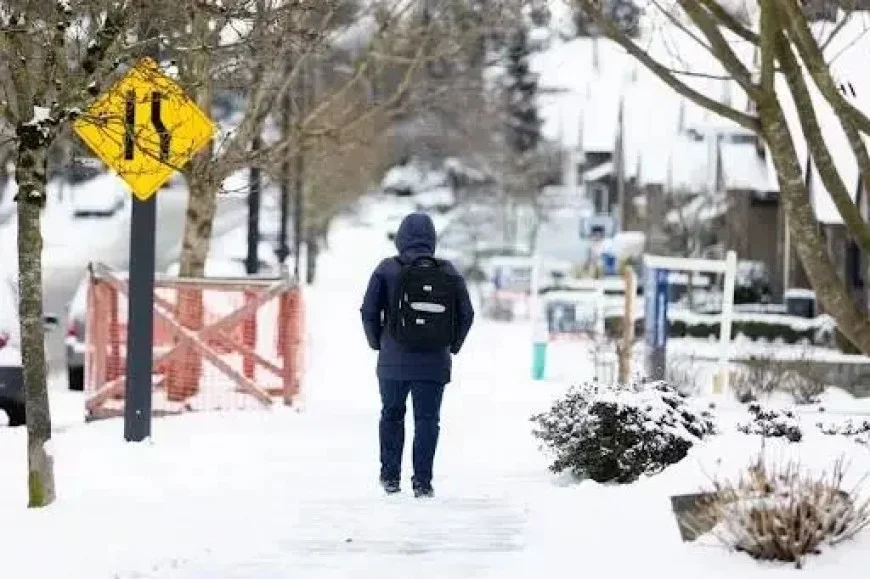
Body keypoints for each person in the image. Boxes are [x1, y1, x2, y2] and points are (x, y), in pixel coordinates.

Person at [360, 212, 475, 498]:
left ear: (400, 238)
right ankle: (422, 481)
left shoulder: (386, 269)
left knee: (392, 414)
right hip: (434, 362)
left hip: (392, 361)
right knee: (427, 420)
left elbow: (369, 311)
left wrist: (378, 342)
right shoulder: (448, 271)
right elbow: (467, 314)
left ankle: (390, 478)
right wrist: (452, 345)